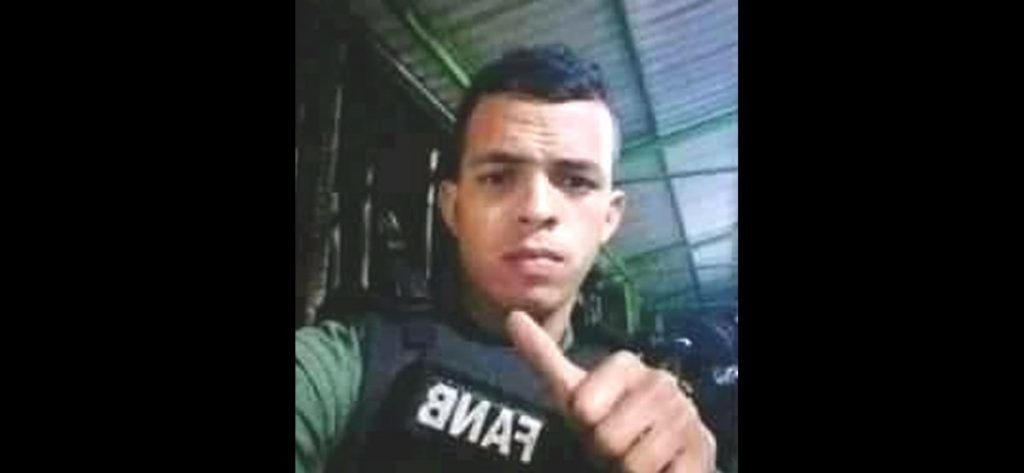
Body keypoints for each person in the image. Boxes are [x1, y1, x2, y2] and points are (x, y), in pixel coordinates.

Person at [296, 44, 717, 473]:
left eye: (575, 181)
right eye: (497, 177)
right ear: (452, 207)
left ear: (609, 218)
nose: (536, 209)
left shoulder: (642, 407)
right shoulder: (350, 363)